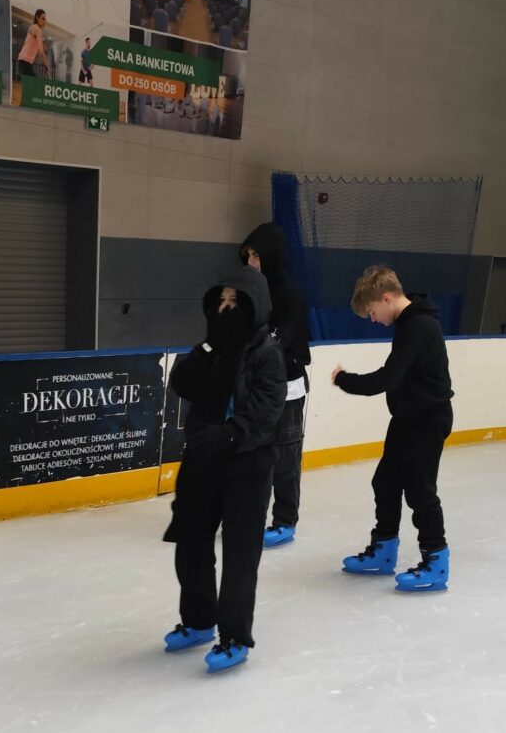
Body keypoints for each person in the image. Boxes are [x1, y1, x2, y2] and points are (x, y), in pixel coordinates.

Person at [162, 266, 286, 674]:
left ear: (254, 306)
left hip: (247, 466)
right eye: (221, 302)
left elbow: (266, 413)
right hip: (203, 463)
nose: (226, 309)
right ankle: (199, 620)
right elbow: (181, 382)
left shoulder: (268, 354)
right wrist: (207, 347)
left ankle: (234, 635)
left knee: (239, 553)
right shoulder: (212, 348)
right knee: (191, 542)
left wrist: (230, 436)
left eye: (235, 303)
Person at [332, 266, 454, 592]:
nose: (373, 319)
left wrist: (344, 380)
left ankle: (436, 561)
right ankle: (384, 551)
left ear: (386, 298)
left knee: (419, 490)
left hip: (427, 419)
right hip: (408, 418)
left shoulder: (419, 326)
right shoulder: (409, 324)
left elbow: (388, 379)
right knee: (385, 481)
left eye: (372, 312)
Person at [239, 223, 311, 548]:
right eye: (249, 255)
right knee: (254, 455)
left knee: (284, 457)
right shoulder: (251, 291)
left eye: (256, 255)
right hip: (257, 386)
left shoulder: (290, 293)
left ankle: (284, 521)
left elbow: (277, 338)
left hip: (288, 387)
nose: (251, 261)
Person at [17, 9, 50, 78]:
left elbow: (31, 43)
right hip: (25, 62)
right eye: (43, 19)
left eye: (45, 19)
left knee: (30, 86)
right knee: (34, 85)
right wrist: (47, 66)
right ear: (37, 18)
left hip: (23, 61)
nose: (44, 21)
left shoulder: (32, 27)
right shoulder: (37, 29)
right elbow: (41, 52)